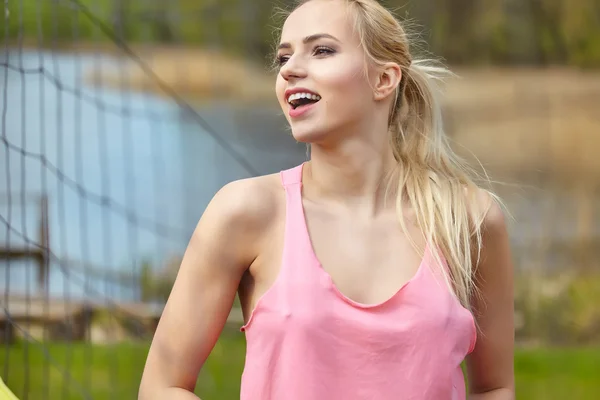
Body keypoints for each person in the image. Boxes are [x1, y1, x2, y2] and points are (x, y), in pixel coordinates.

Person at [138, 0, 515, 399]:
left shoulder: (469, 220)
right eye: (284, 57)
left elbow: (495, 387)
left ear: (384, 80)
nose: (289, 68)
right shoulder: (246, 212)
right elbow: (163, 385)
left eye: (321, 50)